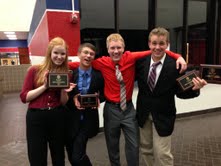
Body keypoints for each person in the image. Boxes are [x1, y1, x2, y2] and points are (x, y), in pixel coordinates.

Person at [69, 33, 187, 166]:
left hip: (129, 110)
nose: (116, 51)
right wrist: (49, 68)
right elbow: (80, 64)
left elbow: (156, 51)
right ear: (107, 49)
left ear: (123, 48)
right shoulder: (101, 62)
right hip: (111, 110)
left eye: (119, 47)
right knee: (112, 146)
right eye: (112, 48)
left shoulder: (130, 57)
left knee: (134, 145)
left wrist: (179, 56)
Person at [135, 27, 207, 166]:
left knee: (162, 154)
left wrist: (194, 90)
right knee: (146, 150)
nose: (157, 47)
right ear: (149, 43)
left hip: (164, 116)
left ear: (167, 44)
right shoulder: (140, 62)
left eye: (161, 43)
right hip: (143, 114)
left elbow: (180, 93)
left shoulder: (176, 65)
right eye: (154, 43)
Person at [20, 37, 76, 166]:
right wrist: (45, 86)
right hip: (36, 118)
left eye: (63, 54)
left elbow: (63, 102)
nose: (59, 57)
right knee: (37, 156)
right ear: (49, 53)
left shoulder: (65, 73)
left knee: (58, 156)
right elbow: (24, 97)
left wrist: (63, 90)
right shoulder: (34, 70)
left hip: (57, 116)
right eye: (56, 53)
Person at [65, 43, 105, 165]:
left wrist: (99, 99)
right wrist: (72, 98)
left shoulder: (98, 75)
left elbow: (103, 94)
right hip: (70, 120)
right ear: (78, 54)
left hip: (87, 120)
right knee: (72, 155)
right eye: (85, 52)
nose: (88, 56)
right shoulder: (70, 74)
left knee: (77, 156)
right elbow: (63, 94)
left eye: (91, 54)